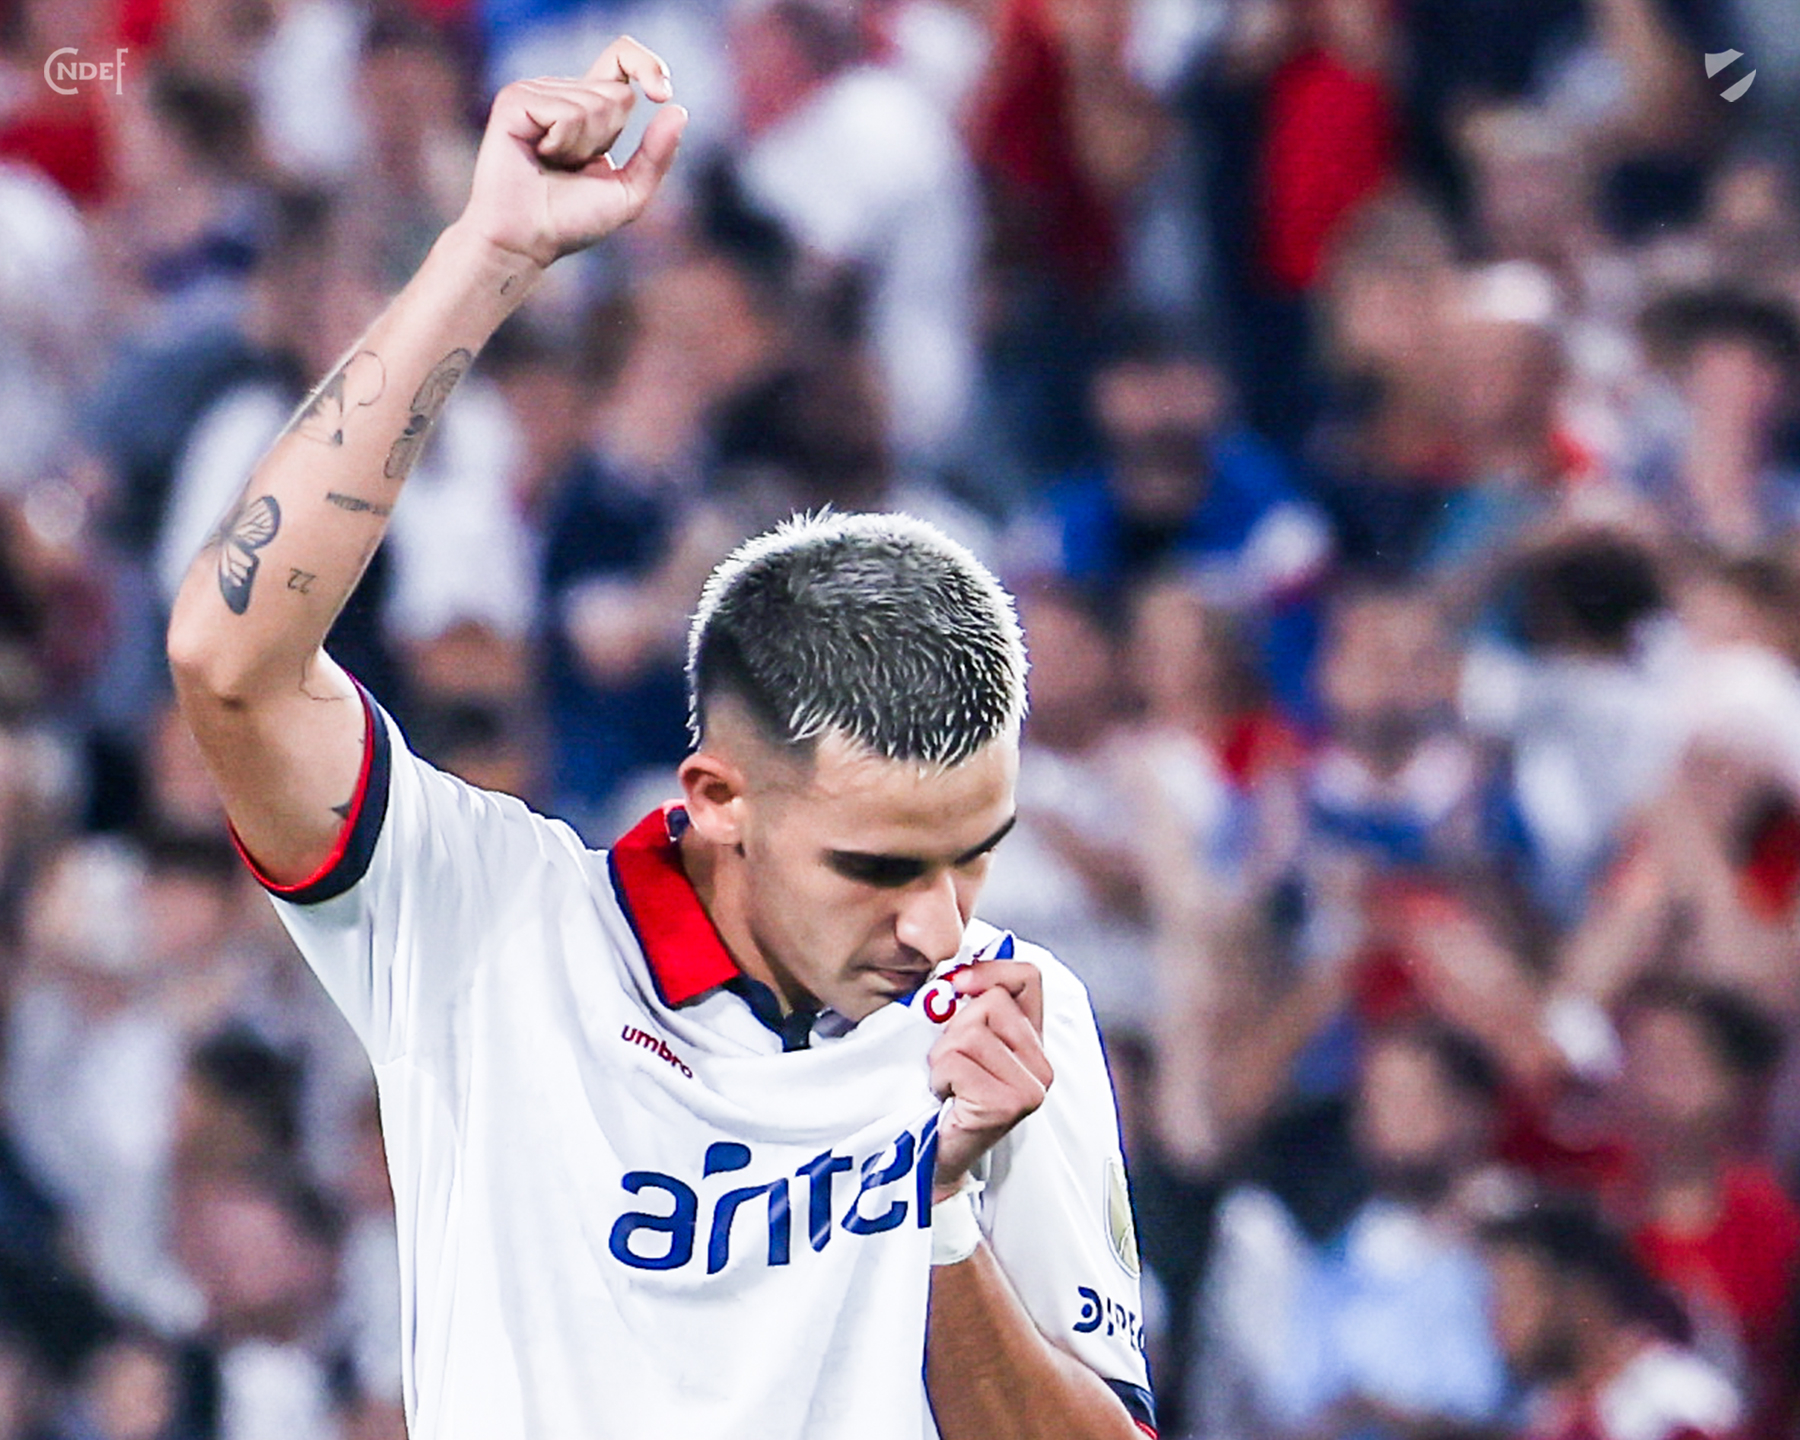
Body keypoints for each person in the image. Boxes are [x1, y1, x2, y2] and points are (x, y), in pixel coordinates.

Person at [164, 37, 1154, 1440]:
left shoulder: (1011, 1020)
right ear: (719, 795)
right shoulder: (488, 929)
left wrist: (937, 1219)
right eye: (878, 867)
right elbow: (231, 662)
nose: (941, 929)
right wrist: (491, 253)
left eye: (972, 857)